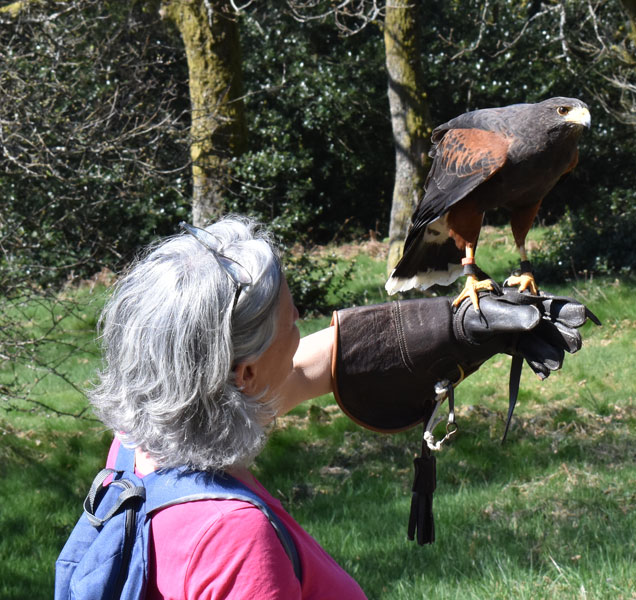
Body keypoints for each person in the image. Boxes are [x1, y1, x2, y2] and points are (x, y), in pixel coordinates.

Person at [85, 214, 596, 598]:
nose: (300, 321)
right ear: (244, 373)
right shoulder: (235, 541)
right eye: (290, 321)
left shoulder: (139, 448)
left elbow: (310, 366)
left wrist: (454, 328)